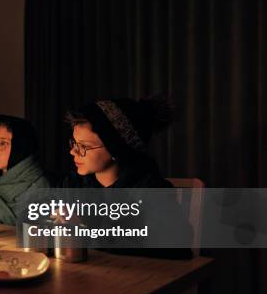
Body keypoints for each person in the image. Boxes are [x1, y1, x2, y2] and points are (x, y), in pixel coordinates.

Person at [63, 97, 193, 259]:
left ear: (116, 148)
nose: (73, 152)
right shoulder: (75, 184)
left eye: (84, 146)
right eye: (74, 143)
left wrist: (85, 231)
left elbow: (178, 249)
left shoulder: (151, 190)